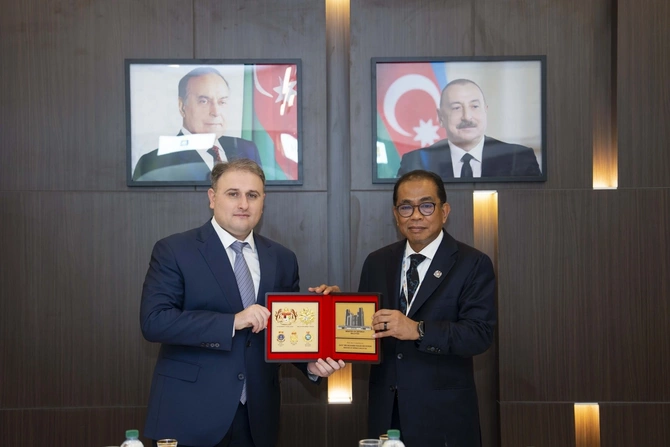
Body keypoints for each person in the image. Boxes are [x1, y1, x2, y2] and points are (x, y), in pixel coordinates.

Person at [139, 159, 345, 447]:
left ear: (263, 202)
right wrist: (233, 321)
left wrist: (310, 364)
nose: (243, 204)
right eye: (233, 193)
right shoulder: (174, 250)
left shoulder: (282, 258)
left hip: (257, 419)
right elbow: (155, 322)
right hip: (189, 415)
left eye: (252, 195)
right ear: (212, 198)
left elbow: (283, 333)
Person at [313, 169, 496, 446]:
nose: (416, 216)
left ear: (444, 211)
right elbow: (366, 331)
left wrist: (418, 330)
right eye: (406, 207)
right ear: (396, 214)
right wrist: (339, 308)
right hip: (387, 413)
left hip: (445, 419)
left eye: (426, 206)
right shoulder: (377, 262)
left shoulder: (473, 263)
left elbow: (478, 335)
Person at [132, 67, 262, 182]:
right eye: (204, 101)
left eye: (222, 102)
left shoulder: (247, 150)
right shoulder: (154, 163)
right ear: (182, 106)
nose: (216, 112)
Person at [397, 78, 541, 179]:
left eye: (474, 106)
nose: (467, 117)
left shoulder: (519, 158)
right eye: (456, 108)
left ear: (485, 111)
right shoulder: (416, 163)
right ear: (441, 117)